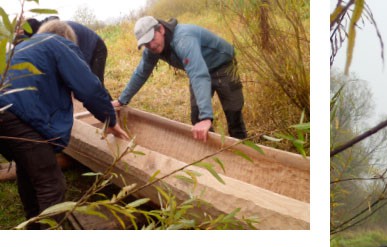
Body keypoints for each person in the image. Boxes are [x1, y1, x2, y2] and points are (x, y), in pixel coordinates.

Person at [0, 20, 129, 228]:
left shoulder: (25, 47)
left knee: (29, 167)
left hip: (6, 112)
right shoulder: (59, 44)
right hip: (14, 111)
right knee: (52, 184)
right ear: (68, 39)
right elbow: (89, 88)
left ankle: (34, 228)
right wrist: (110, 120)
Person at [113, 16, 247, 141]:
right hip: (198, 68)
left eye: (152, 39)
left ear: (161, 29)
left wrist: (207, 117)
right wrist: (122, 100)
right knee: (197, 118)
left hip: (223, 66)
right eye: (147, 44)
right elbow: (141, 73)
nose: (151, 46)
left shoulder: (183, 39)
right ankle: (214, 153)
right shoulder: (152, 50)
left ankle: (244, 152)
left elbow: (198, 74)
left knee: (233, 114)